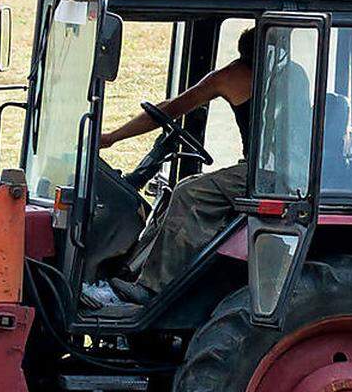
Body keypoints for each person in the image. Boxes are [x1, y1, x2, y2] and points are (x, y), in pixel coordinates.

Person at [99, 26, 256, 304]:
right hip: (271, 169)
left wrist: (112, 137)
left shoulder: (232, 76)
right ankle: (132, 274)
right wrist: (112, 138)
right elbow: (165, 111)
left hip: (267, 174)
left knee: (188, 192)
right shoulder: (288, 74)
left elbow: (169, 110)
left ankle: (152, 291)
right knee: (175, 194)